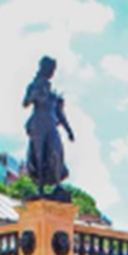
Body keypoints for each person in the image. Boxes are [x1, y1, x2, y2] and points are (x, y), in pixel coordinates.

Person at [23, 56, 75, 198]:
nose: (52, 72)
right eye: (50, 69)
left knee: (56, 151)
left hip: (51, 124)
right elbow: (25, 103)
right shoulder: (34, 86)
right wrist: (35, 94)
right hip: (38, 123)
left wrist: (69, 130)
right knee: (39, 154)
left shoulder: (53, 96)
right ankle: (40, 187)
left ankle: (57, 184)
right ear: (43, 68)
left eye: (53, 70)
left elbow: (60, 114)